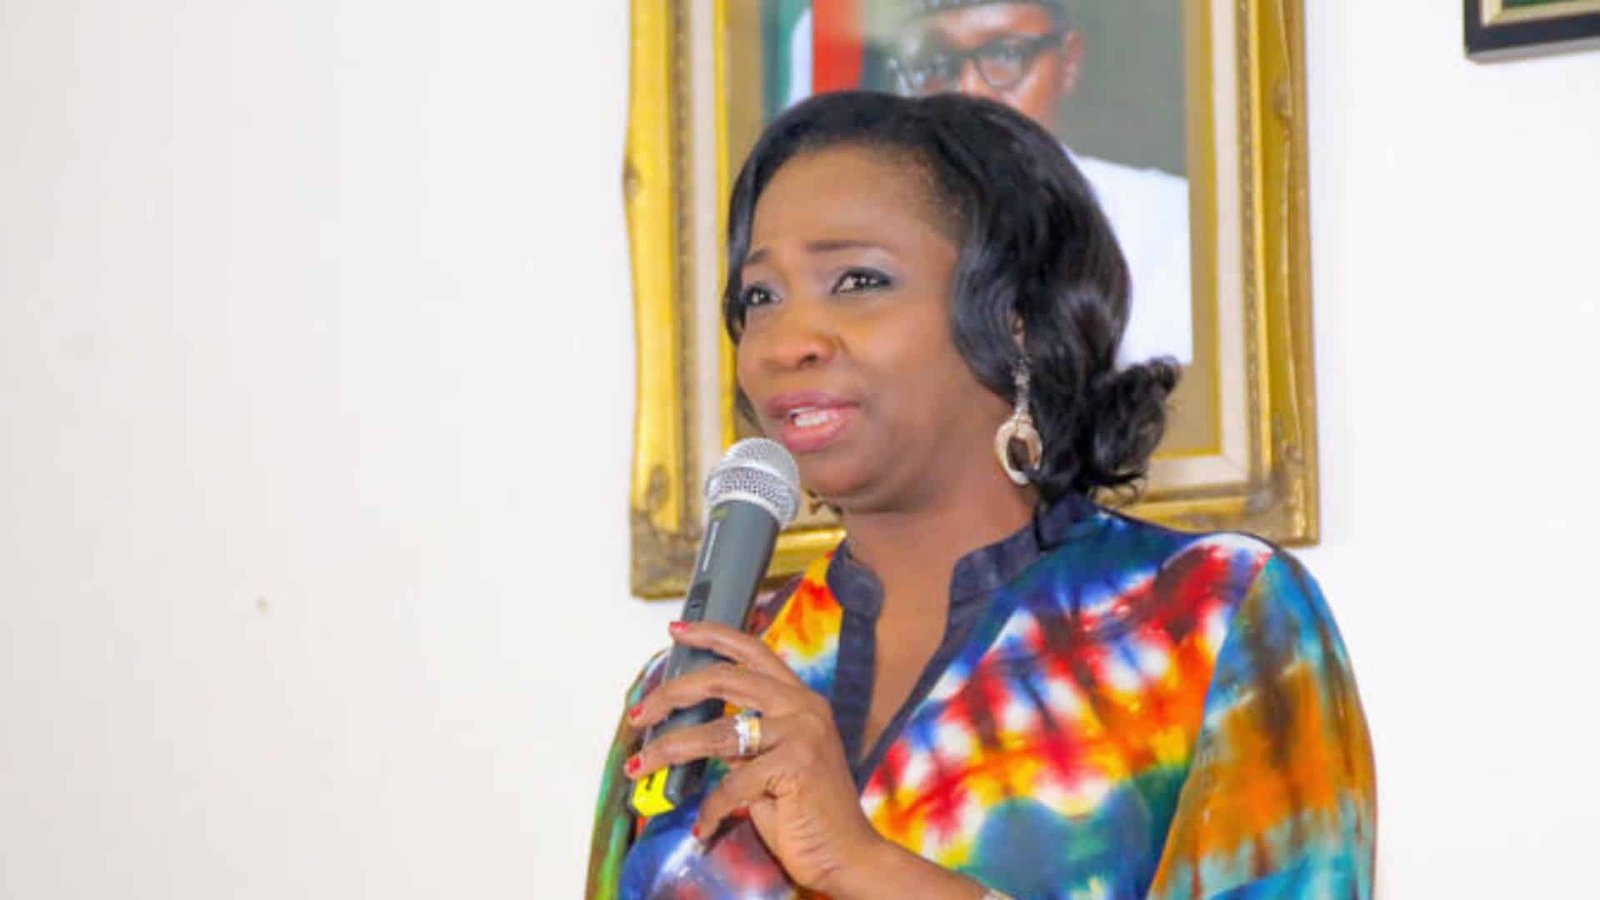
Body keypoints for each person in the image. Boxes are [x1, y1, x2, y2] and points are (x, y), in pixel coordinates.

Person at [588, 92, 1373, 899]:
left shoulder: (1203, 618)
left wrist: (867, 866)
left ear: (1016, 316)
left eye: (857, 280)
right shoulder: (701, 689)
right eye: (760, 296)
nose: (788, 343)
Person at [887, 0, 1193, 366]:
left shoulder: (1171, 221)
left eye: (1005, 54)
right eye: (934, 63)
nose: (970, 90)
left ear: (1069, 61)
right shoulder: (874, 233)